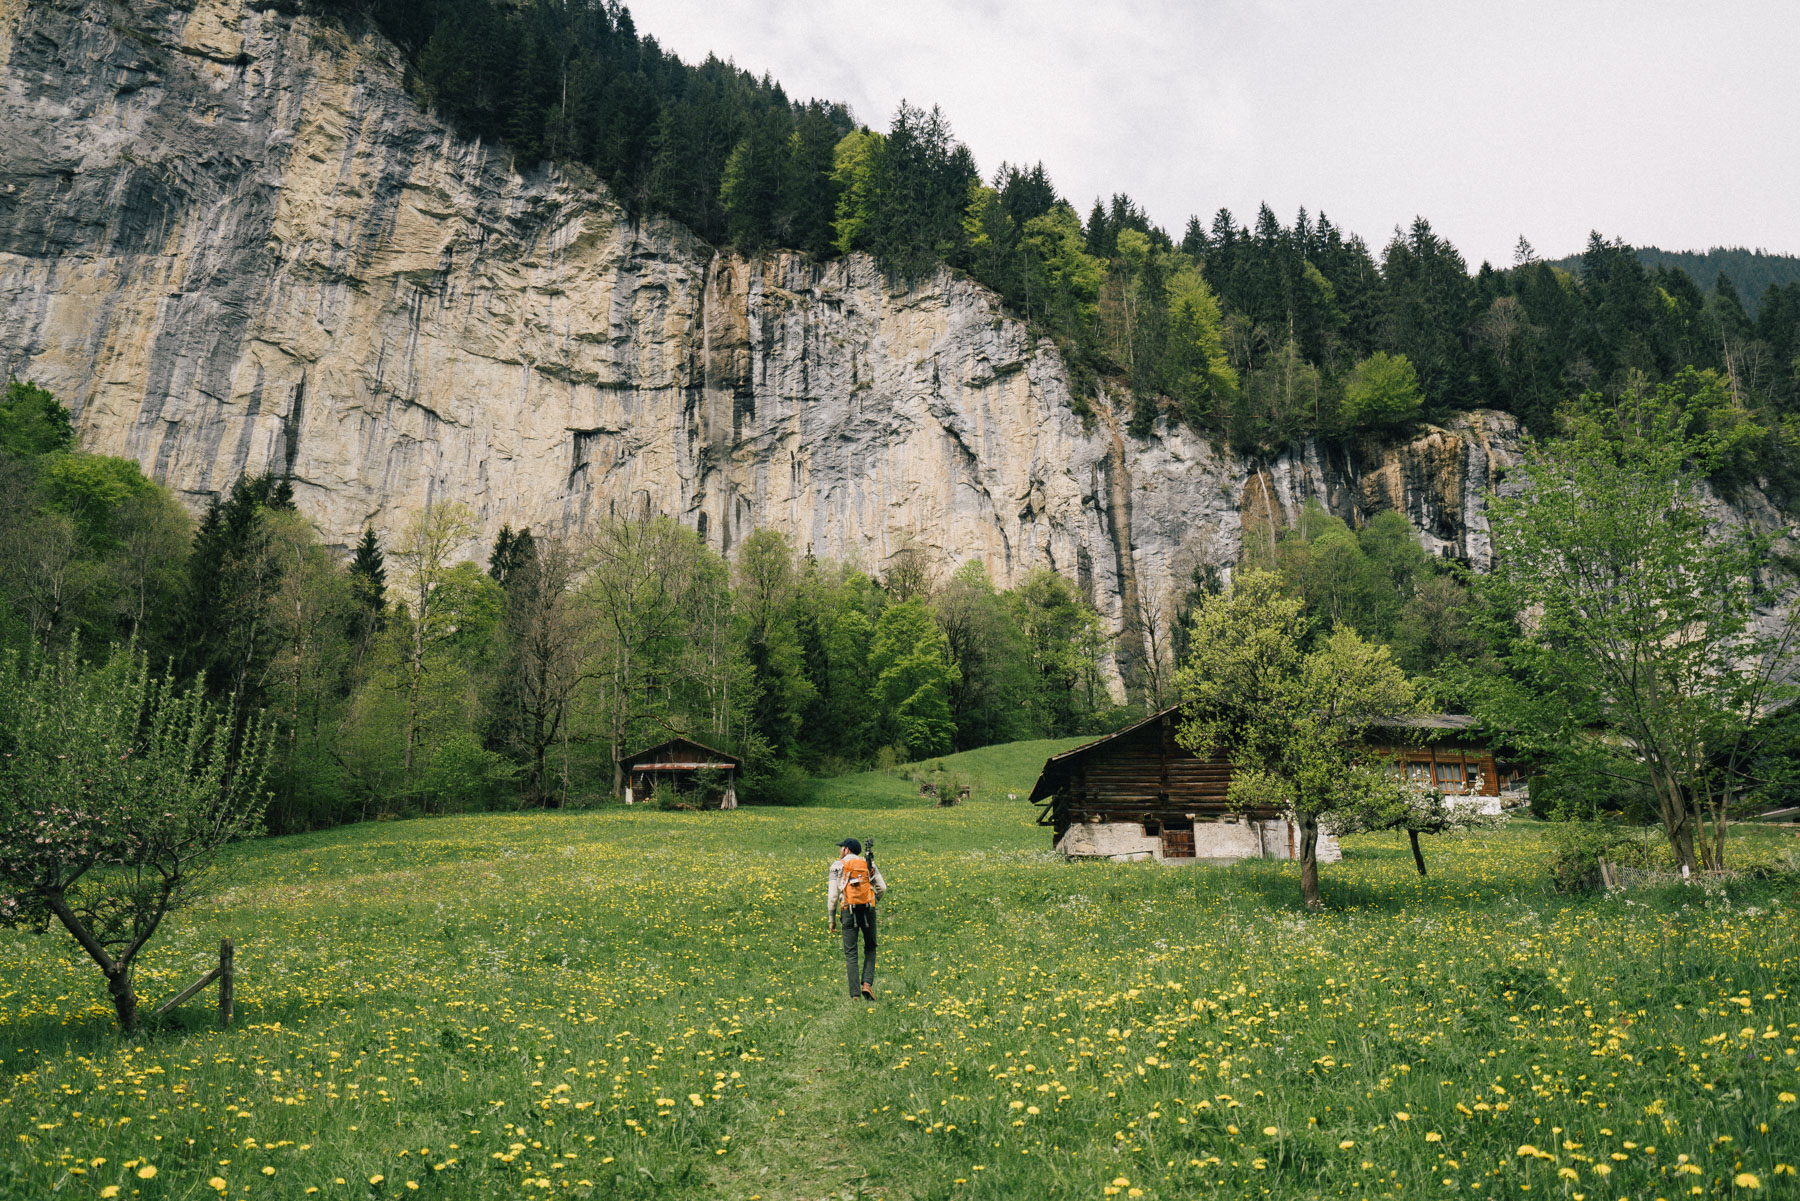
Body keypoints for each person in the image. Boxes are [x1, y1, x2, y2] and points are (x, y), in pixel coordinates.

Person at [827, 837, 886, 1000]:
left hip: (848, 910)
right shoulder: (869, 864)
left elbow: (833, 896)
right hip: (868, 909)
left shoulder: (837, 866)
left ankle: (855, 995)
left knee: (851, 952)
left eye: (841, 848)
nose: (840, 851)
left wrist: (832, 918)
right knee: (870, 947)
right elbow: (882, 887)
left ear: (846, 850)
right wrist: (872, 901)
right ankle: (867, 984)